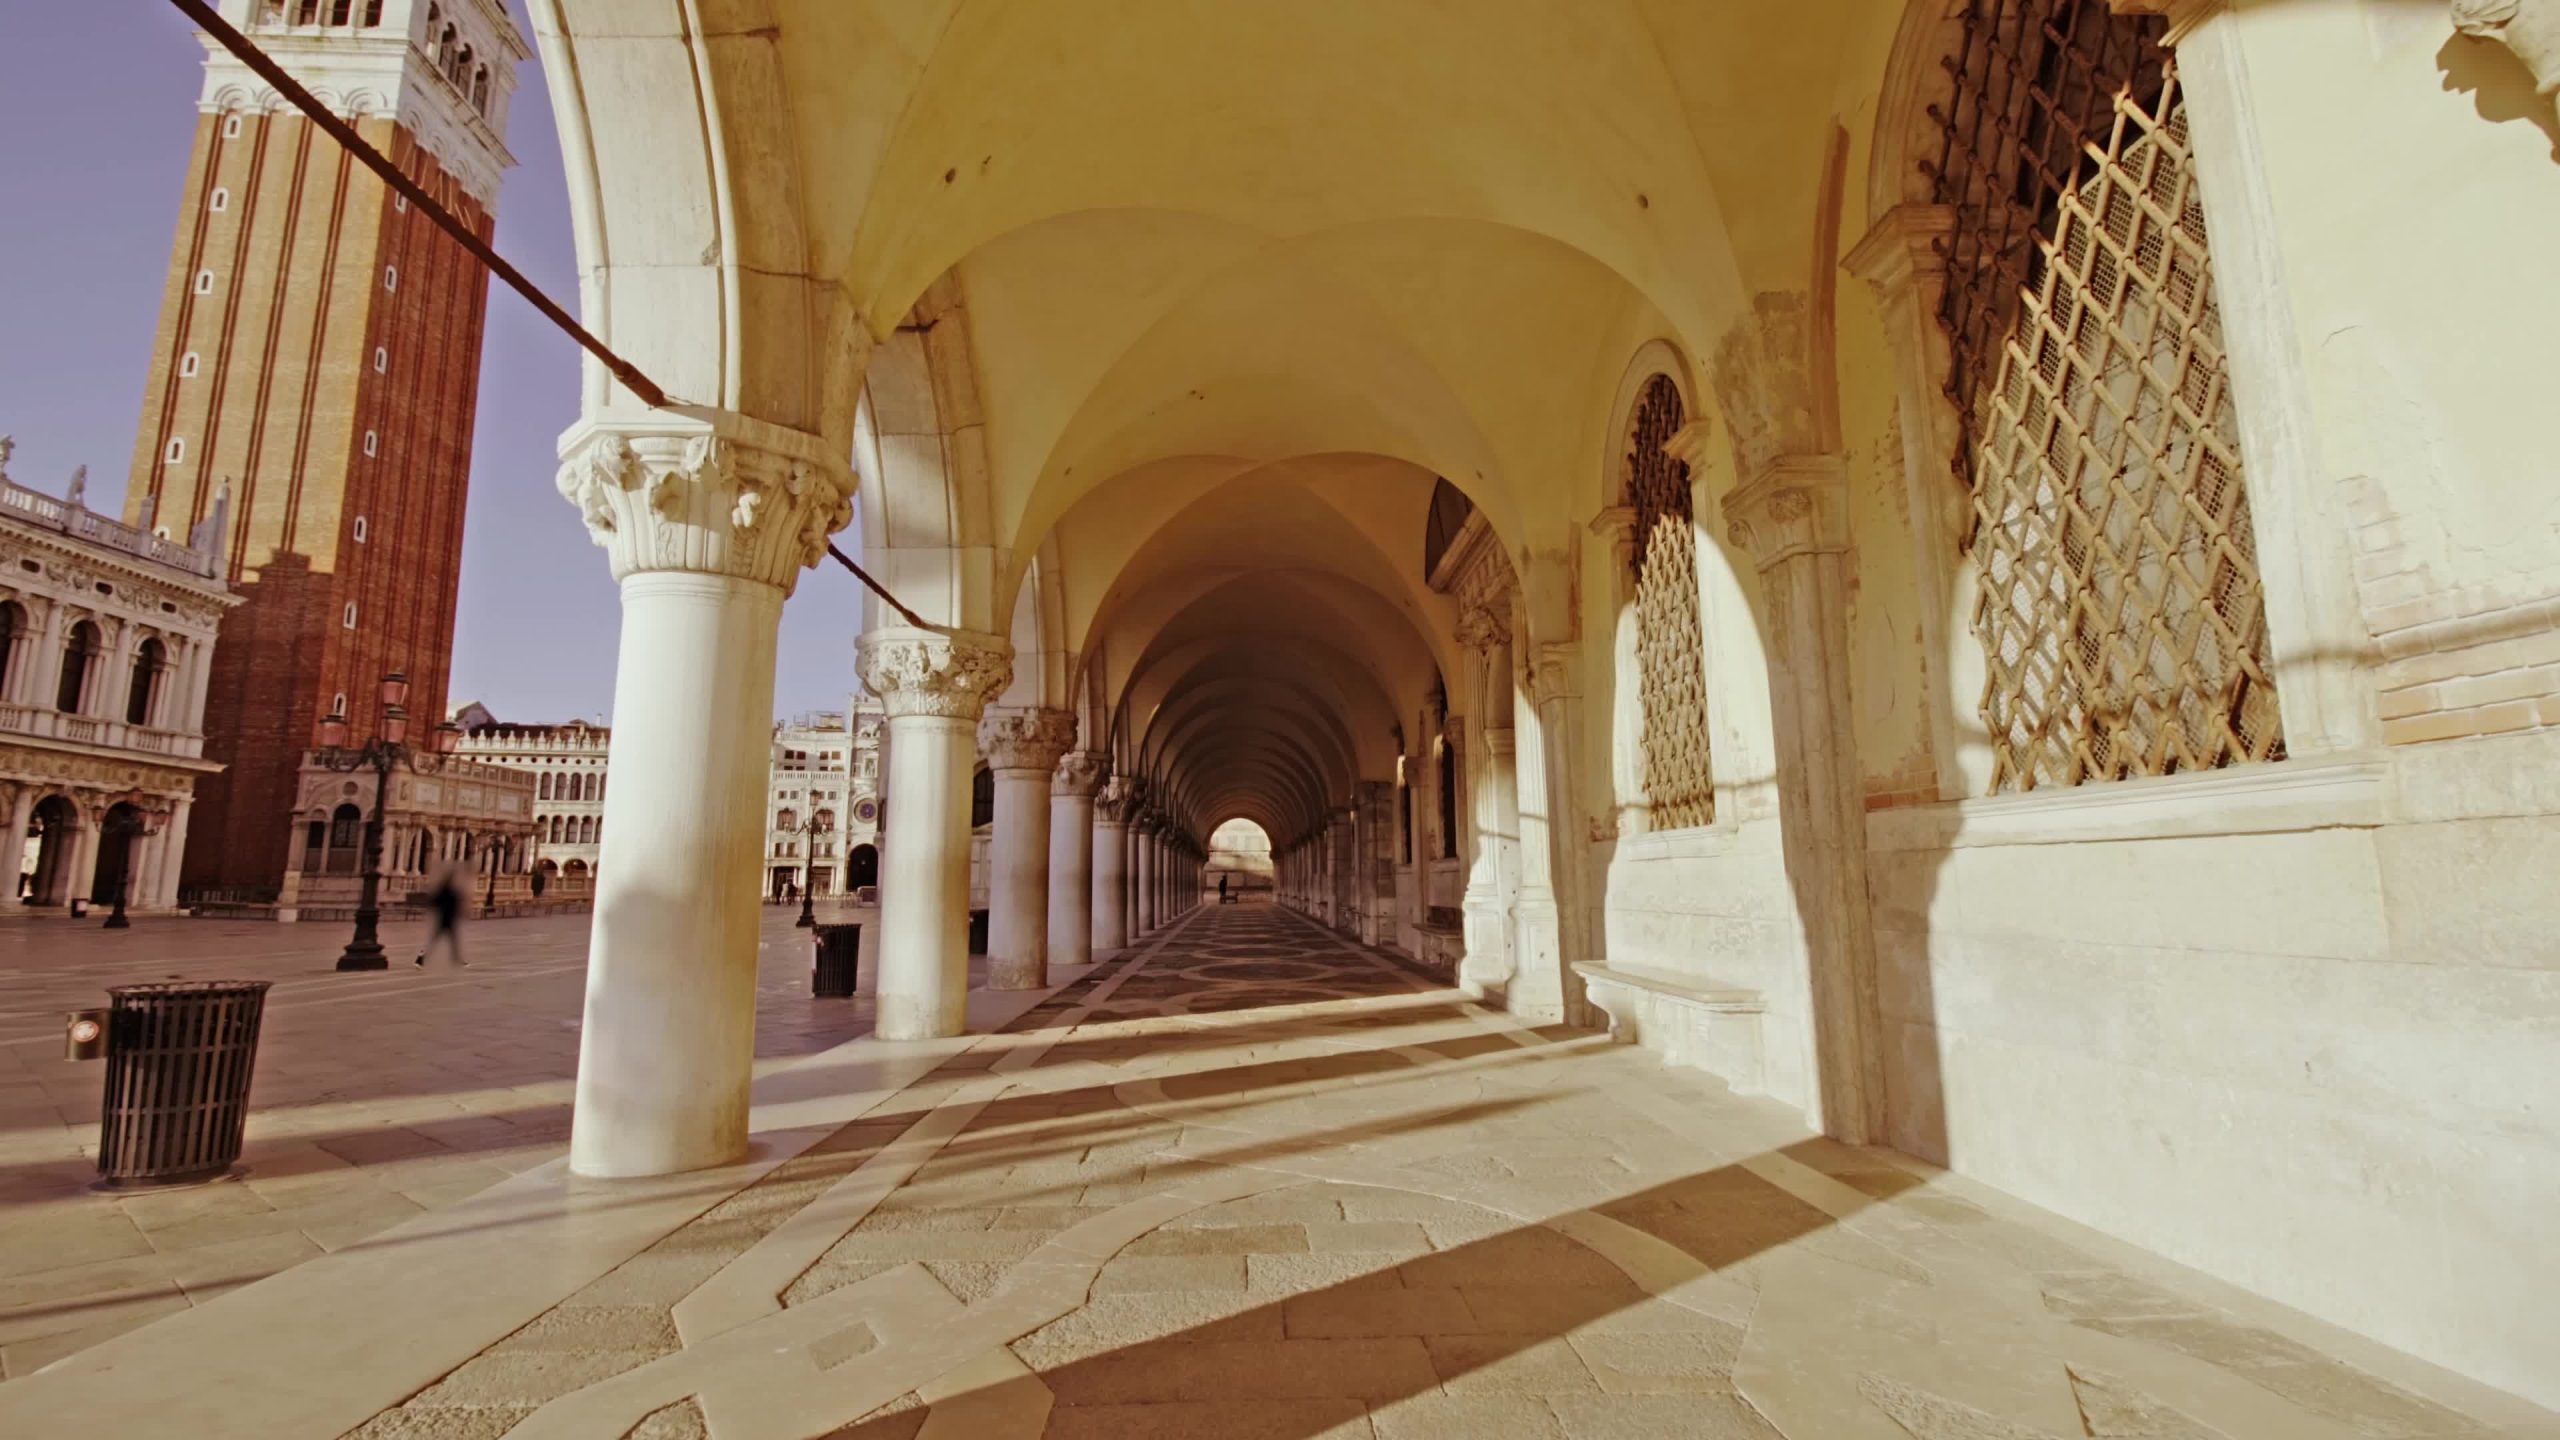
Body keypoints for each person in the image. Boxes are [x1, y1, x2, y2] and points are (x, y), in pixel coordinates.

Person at [416, 862, 468, 968]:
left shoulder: (445, 890)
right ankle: (421, 959)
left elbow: (434, 902)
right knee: (443, 940)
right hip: (446, 919)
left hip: (445, 919)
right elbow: (449, 903)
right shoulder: (449, 891)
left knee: (441, 940)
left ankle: (421, 959)